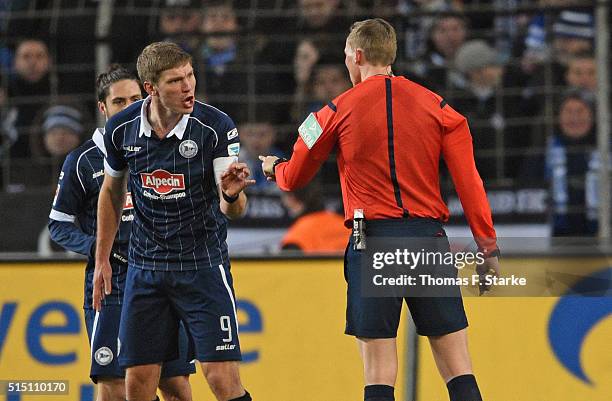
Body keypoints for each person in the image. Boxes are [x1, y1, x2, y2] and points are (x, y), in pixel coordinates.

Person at [260, 18, 500, 401]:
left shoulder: (332, 111)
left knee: (379, 372)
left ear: (357, 56)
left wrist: (275, 169)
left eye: (345, 58)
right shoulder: (440, 108)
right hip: (428, 242)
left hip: (372, 243)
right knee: (458, 367)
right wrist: (487, 247)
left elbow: (296, 177)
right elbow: (471, 184)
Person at [94, 42, 254, 401]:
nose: (188, 87)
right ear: (150, 89)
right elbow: (111, 193)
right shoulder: (121, 130)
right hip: (146, 269)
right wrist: (102, 258)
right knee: (137, 383)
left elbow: (235, 209)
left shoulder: (214, 127)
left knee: (221, 379)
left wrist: (230, 194)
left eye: (190, 75)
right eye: (176, 81)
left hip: (202, 265)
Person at [48, 64, 195, 401]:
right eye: (118, 102)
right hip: (112, 284)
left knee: (176, 385)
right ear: (103, 108)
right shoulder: (83, 160)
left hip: (164, 278)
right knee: (114, 386)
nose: (128, 107)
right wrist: (102, 247)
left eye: (134, 98)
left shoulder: (165, 148)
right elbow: (59, 223)